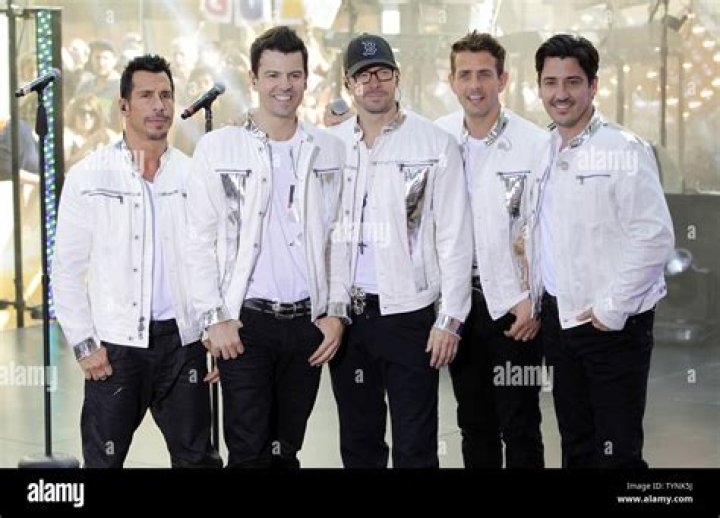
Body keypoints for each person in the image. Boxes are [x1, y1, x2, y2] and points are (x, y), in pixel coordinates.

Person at [185, 26, 348, 469]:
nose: (284, 86)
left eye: (294, 75)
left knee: (286, 451)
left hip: (307, 326)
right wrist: (214, 318)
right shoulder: (218, 148)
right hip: (245, 326)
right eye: (273, 75)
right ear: (254, 79)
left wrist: (336, 313)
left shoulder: (329, 149)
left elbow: (339, 238)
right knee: (248, 452)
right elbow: (196, 241)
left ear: (306, 79)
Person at [52, 54, 222, 468]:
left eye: (166, 95)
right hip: (116, 349)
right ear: (124, 105)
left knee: (197, 460)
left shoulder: (194, 175)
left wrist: (214, 325)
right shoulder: (89, 176)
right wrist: (85, 344)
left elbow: (215, 258)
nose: (159, 106)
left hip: (184, 343)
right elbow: (67, 271)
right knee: (103, 462)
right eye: (146, 96)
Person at [328, 33, 472, 468]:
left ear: (397, 76)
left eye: (382, 72)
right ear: (348, 83)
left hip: (410, 315)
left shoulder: (434, 144)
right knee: (359, 443)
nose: (374, 82)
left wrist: (451, 318)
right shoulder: (330, 146)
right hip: (348, 317)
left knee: (416, 446)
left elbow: (454, 236)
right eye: (363, 75)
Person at [531, 34, 674, 468]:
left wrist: (612, 310)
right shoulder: (542, 149)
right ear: (539, 87)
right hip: (560, 322)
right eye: (551, 82)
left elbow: (654, 236)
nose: (560, 94)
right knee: (576, 445)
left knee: (618, 451)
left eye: (572, 82)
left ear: (593, 86)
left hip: (613, 326)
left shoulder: (624, 148)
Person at [435, 31, 547, 468]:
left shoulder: (535, 143)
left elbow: (544, 228)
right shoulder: (437, 137)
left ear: (503, 79)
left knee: (521, 423)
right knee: (473, 421)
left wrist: (533, 298)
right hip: (460, 303)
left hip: (514, 307)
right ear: (452, 81)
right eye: (465, 75)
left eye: (484, 74)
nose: (475, 85)